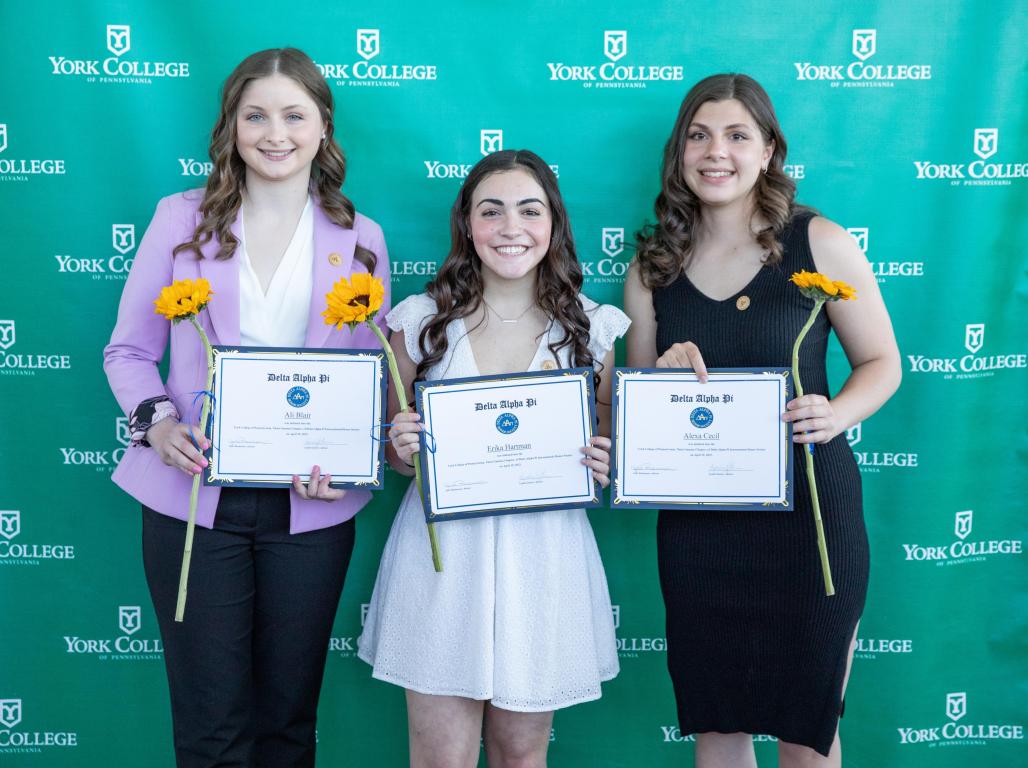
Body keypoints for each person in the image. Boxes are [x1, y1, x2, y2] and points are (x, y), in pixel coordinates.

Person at [103, 48, 390, 767]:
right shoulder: (180, 220)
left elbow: (366, 373)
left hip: (310, 507)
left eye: (294, 115)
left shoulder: (361, 238)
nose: (275, 133)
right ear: (230, 126)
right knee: (211, 728)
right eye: (254, 115)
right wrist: (157, 423)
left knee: (289, 723)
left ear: (323, 127)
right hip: (194, 501)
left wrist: (349, 459)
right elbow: (128, 352)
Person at [624, 74, 901, 767]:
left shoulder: (819, 242)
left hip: (811, 521)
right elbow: (634, 405)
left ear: (770, 150)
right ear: (678, 153)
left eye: (737, 135)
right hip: (700, 529)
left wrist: (834, 413)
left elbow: (883, 363)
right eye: (699, 135)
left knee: (808, 733)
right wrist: (657, 379)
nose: (715, 152)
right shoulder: (652, 267)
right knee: (718, 728)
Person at [358, 149, 625, 768]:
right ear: (467, 225)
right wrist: (399, 448)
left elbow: (610, 443)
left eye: (530, 211)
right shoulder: (419, 321)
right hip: (442, 561)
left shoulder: (593, 328)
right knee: (439, 758)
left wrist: (607, 460)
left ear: (553, 223)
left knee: (521, 756)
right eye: (491, 211)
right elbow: (394, 453)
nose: (511, 228)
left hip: (546, 557)